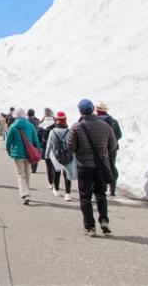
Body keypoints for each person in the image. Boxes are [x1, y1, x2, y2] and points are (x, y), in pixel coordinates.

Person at [67, 99, 117, 237]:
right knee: (101, 194)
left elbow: (70, 147)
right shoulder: (105, 126)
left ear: (80, 111)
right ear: (93, 109)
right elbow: (113, 145)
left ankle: (90, 227)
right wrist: (102, 152)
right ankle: (104, 220)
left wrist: (80, 150)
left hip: (84, 166)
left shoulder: (76, 127)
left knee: (85, 197)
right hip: (101, 165)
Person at [6, 108, 41, 204]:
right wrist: (38, 150)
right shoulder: (30, 126)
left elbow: (8, 142)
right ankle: (27, 192)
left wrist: (9, 152)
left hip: (17, 154)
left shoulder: (13, 127)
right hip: (29, 153)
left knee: (20, 174)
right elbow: (35, 140)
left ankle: (24, 194)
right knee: (27, 173)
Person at [45, 111, 76, 201]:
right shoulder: (69, 131)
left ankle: (57, 190)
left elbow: (49, 145)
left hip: (56, 155)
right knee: (67, 174)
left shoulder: (52, 132)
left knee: (57, 172)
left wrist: (47, 156)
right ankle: (68, 194)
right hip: (68, 155)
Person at [96, 101, 122, 196]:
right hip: (111, 149)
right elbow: (119, 135)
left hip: (98, 148)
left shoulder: (93, 121)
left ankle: (101, 186)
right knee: (111, 166)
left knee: (98, 167)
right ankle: (112, 187)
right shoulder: (113, 121)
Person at [38, 108, 56, 187]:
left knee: (48, 165)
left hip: (45, 147)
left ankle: (51, 183)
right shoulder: (55, 123)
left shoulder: (42, 124)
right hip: (55, 147)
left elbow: (38, 134)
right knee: (54, 165)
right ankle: (55, 181)